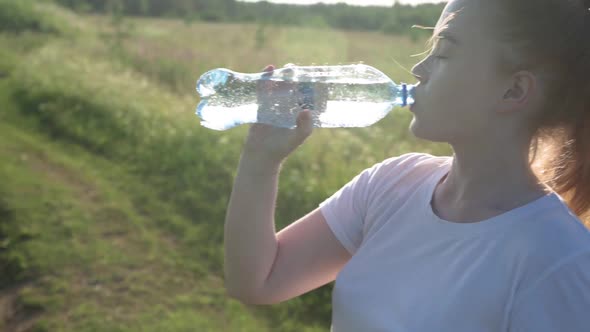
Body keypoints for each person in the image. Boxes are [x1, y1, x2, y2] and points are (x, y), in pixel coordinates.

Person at [223, 0, 590, 330]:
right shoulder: (393, 183)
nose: (419, 67)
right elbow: (258, 281)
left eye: (443, 52)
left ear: (513, 91)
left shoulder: (557, 261)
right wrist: (261, 159)